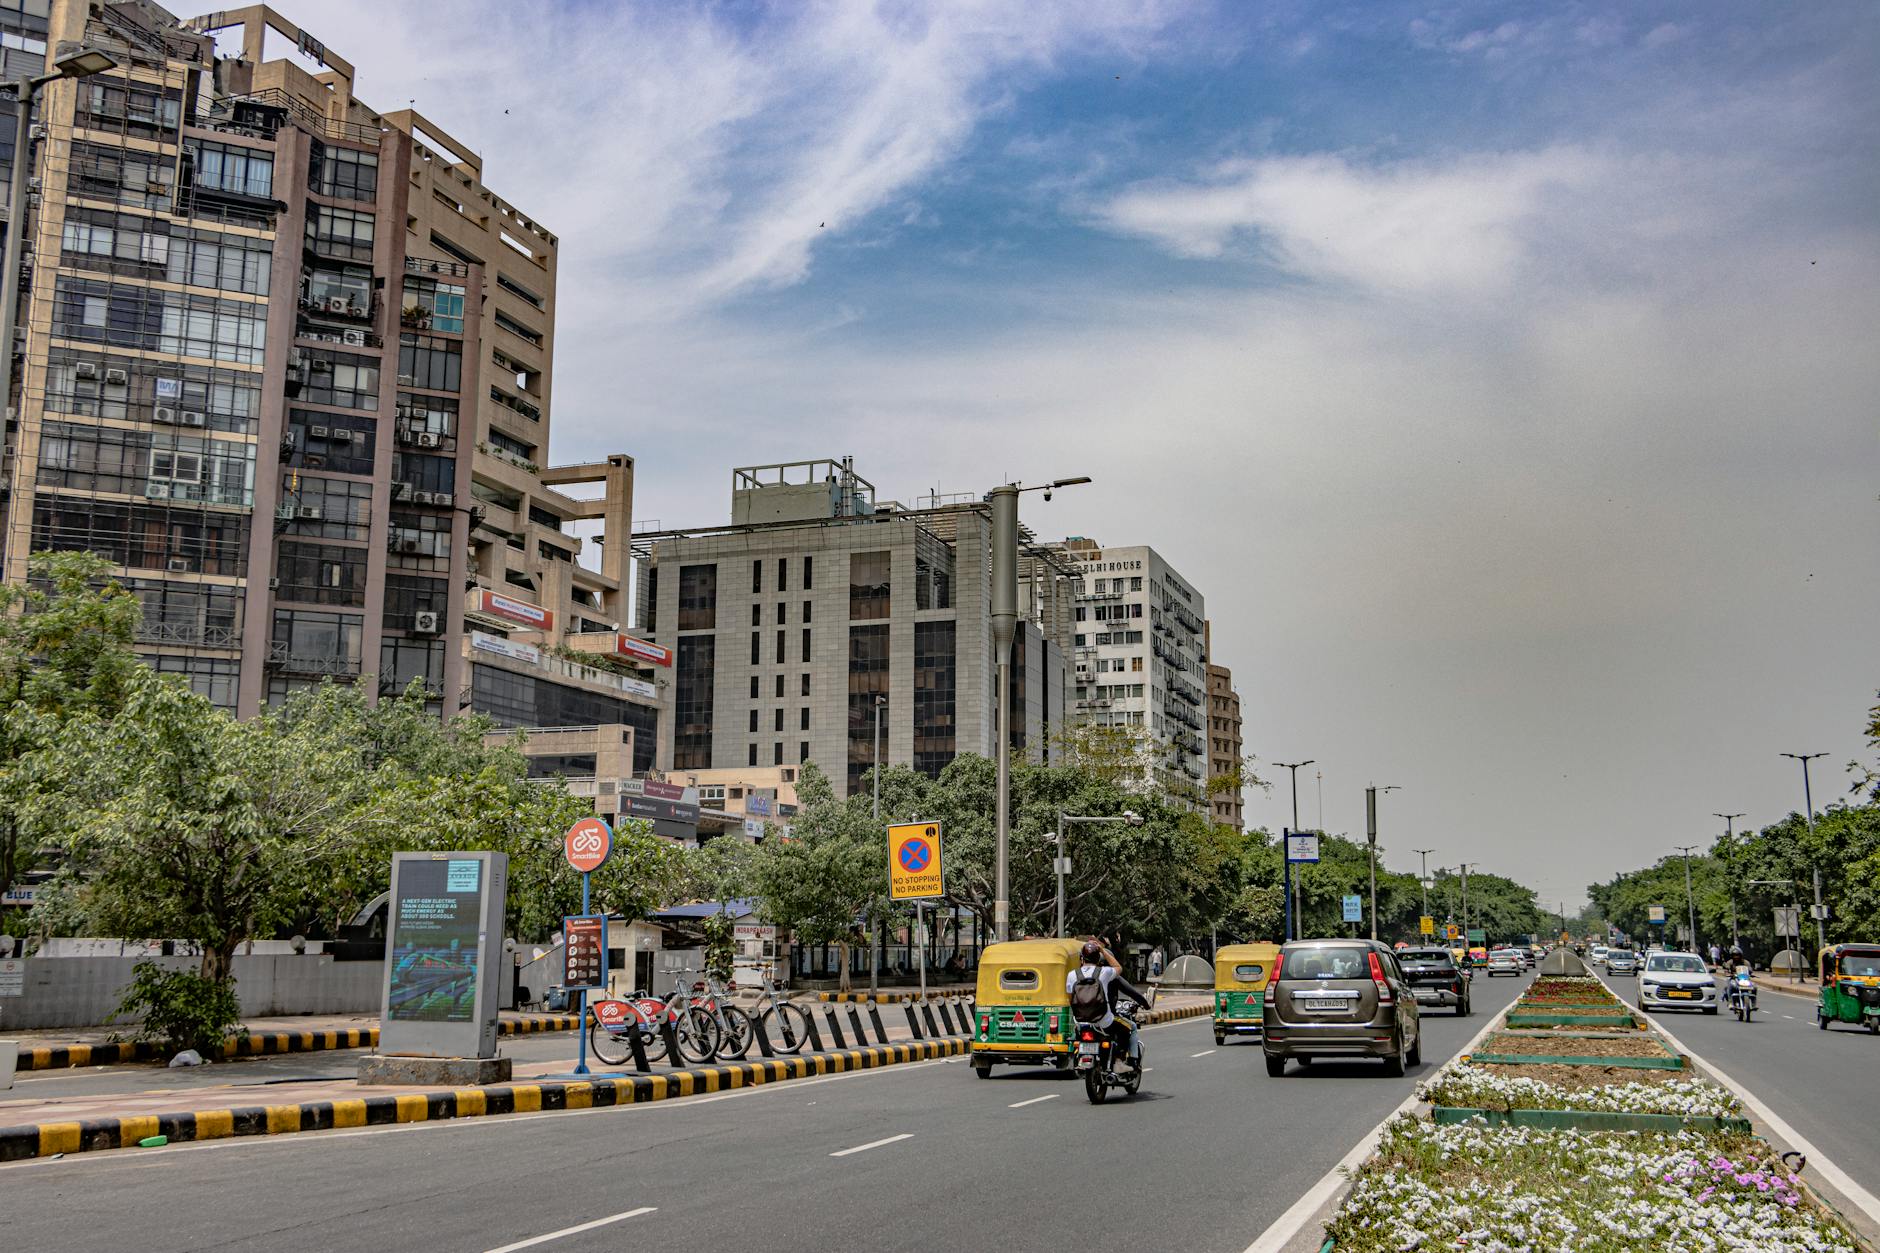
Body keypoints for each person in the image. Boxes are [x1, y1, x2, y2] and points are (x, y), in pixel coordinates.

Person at [1067, 939, 1152, 1071]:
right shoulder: (1104, 973)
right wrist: (1102, 949)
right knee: (1128, 1028)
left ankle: (1081, 1056)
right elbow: (1119, 969)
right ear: (1099, 958)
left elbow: (1070, 999)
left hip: (1081, 1022)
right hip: (1104, 1021)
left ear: (1081, 958)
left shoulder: (1072, 975)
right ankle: (1118, 1061)